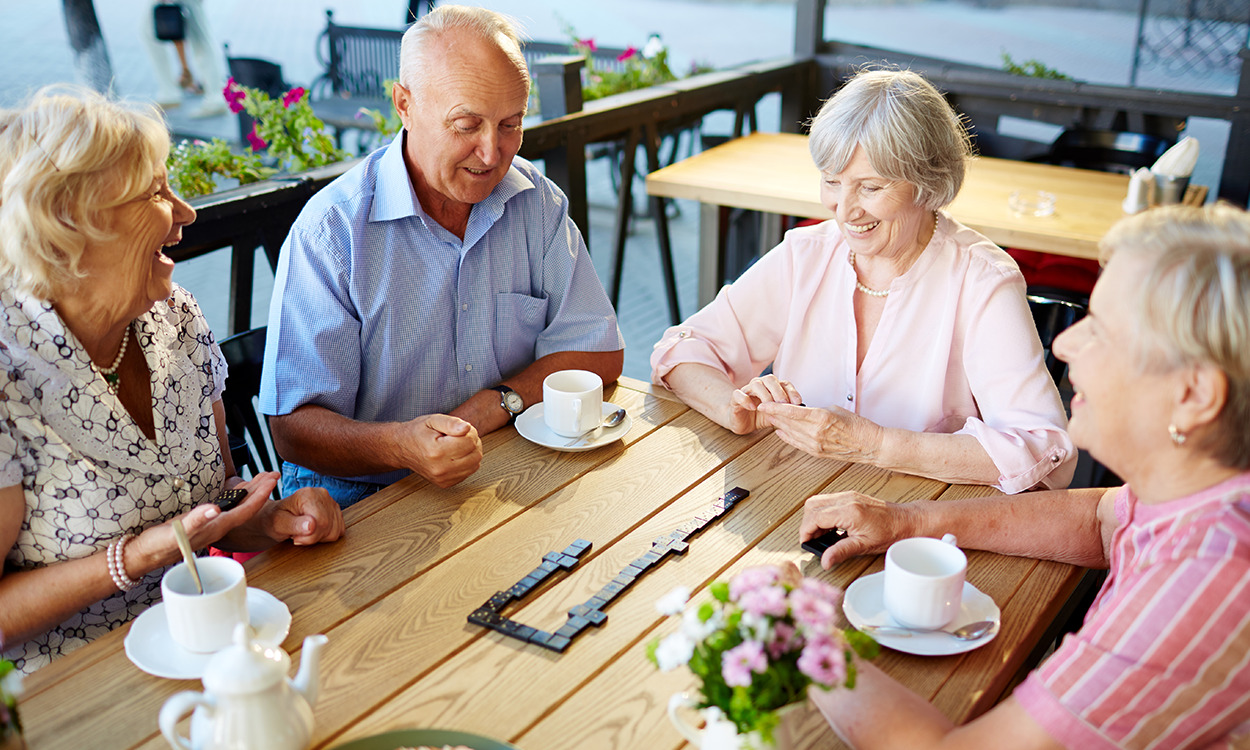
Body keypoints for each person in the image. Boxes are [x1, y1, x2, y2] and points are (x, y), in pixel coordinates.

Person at [800, 203, 1250, 748]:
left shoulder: (1206, 576)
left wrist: (802, 636)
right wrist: (905, 521)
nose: (1064, 344)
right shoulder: (1200, 493)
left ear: (1194, 395)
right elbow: (1099, 519)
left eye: (1102, 332)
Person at [0, 86, 344, 674]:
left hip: (209, 643)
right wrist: (134, 558)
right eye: (156, 193)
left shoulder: (175, 315)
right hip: (70, 692)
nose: (185, 212)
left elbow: (217, 495)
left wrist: (269, 518)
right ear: (74, 227)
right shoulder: (9, 373)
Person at [260, 5, 624, 508]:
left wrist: (499, 402)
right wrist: (402, 446)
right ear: (404, 105)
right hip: (358, 501)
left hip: (501, 469)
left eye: (510, 125)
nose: (492, 154)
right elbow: (294, 431)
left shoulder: (535, 202)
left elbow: (598, 351)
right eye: (466, 125)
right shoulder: (333, 231)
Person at [650, 68, 1073, 494]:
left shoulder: (982, 282)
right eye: (832, 181)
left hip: (921, 522)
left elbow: (1047, 453)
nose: (845, 210)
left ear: (928, 183)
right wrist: (732, 407)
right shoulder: (806, 255)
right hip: (793, 496)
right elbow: (680, 349)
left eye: (870, 187)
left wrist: (875, 444)